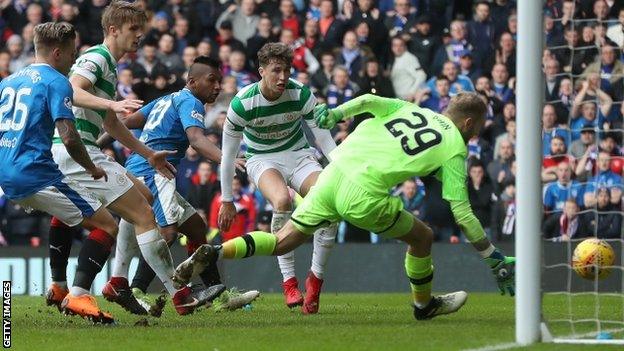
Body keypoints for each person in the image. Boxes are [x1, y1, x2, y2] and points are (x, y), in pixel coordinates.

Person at [177, 92, 515, 321]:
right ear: (470, 124)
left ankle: (215, 252)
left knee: (282, 240)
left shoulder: (411, 109)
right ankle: (423, 305)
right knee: (423, 237)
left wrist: (336, 113)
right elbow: (461, 211)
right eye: (480, 127)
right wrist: (490, 255)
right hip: (364, 194)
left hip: (332, 175)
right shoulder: (455, 144)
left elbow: (367, 100)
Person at [45, 1, 205, 321]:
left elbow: (111, 124)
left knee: (142, 197)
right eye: (134, 29)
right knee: (144, 214)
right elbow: (72, 90)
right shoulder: (97, 57)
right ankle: (178, 295)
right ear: (113, 30)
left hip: (72, 151)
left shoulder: (110, 65)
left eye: (141, 29)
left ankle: (78, 288)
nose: (140, 36)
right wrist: (111, 103)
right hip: (77, 152)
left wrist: (147, 154)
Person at [105, 56, 258, 313]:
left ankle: (217, 297)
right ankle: (167, 293)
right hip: (153, 173)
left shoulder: (166, 99)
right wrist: (227, 158)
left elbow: (122, 124)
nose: (218, 87)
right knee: (167, 231)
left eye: (220, 81)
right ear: (192, 81)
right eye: (212, 80)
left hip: (144, 172)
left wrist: (94, 149)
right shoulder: (190, 100)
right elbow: (196, 140)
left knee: (197, 228)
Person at [0, 22, 117, 323]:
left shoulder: (9, 81)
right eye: (72, 54)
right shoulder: (57, 82)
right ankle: (78, 295)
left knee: (66, 212)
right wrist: (91, 167)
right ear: (57, 53)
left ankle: (57, 286)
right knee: (107, 225)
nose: (73, 60)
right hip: (36, 173)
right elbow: (68, 135)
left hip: (7, 172)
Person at [219, 43, 338, 314]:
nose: (283, 77)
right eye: (276, 71)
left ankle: (315, 280)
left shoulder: (300, 93)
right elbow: (228, 156)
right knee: (282, 201)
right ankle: (289, 283)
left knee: (328, 201)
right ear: (262, 72)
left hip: (298, 154)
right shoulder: (243, 103)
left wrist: (340, 169)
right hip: (262, 159)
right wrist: (227, 199)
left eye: (286, 70)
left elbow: (322, 138)